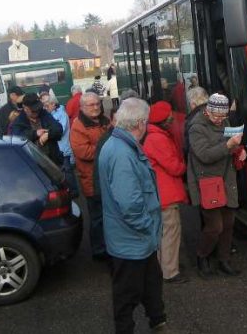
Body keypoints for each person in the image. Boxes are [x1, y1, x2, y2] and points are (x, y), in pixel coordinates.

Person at [98, 98, 166, 333]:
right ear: (139, 123)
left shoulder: (117, 145)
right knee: (127, 296)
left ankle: (158, 320)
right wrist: (148, 226)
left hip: (134, 240)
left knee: (151, 284)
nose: (147, 125)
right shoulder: (122, 153)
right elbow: (130, 203)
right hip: (132, 240)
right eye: (146, 121)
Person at [187, 93, 245, 278]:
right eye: (216, 116)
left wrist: (240, 151)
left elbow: (231, 147)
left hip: (227, 179)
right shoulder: (196, 127)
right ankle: (202, 256)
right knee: (215, 226)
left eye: (223, 116)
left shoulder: (225, 123)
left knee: (229, 223)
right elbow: (204, 155)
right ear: (208, 111)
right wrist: (228, 145)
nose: (220, 120)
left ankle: (224, 260)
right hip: (208, 182)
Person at [142, 101, 189, 284]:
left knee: (163, 233)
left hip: (160, 194)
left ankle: (165, 266)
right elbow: (175, 167)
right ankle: (170, 271)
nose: (172, 117)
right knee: (171, 233)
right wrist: (184, 165)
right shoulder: (158, 139)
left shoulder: (153, 136)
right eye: (170, 114)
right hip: (166, 194)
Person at [70, 91, 111, 260]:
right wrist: (109, 149)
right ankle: (99, 251)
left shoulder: (105, 121)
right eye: (91, 105)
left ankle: (110, 246)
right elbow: (83, 152)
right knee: (97, 218)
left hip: (108, 177)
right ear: (82, 107)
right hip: (92, 181)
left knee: (109, 216)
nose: (95, 107)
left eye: (97, 104)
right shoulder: (78, 126)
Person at [42, 93, 79, 198]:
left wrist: (47, 133)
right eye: (44, 106)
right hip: (58, 149)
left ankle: (74, 192)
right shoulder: (50, 115)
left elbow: (60, 130)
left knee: (67, 171)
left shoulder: (61, 114)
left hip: (63, 148)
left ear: (53, 104)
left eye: (47, 105)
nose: (45, 108)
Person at [11, 93, 64, 167]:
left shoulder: (44, 114)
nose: (36, 112)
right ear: (25, 108)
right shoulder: (19, 122)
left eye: (38, 109)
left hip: (53, 161)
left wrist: (47, 135)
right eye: (33, 110)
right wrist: (35, 133)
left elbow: (58, 128)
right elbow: (16, 139)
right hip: (33, 164)